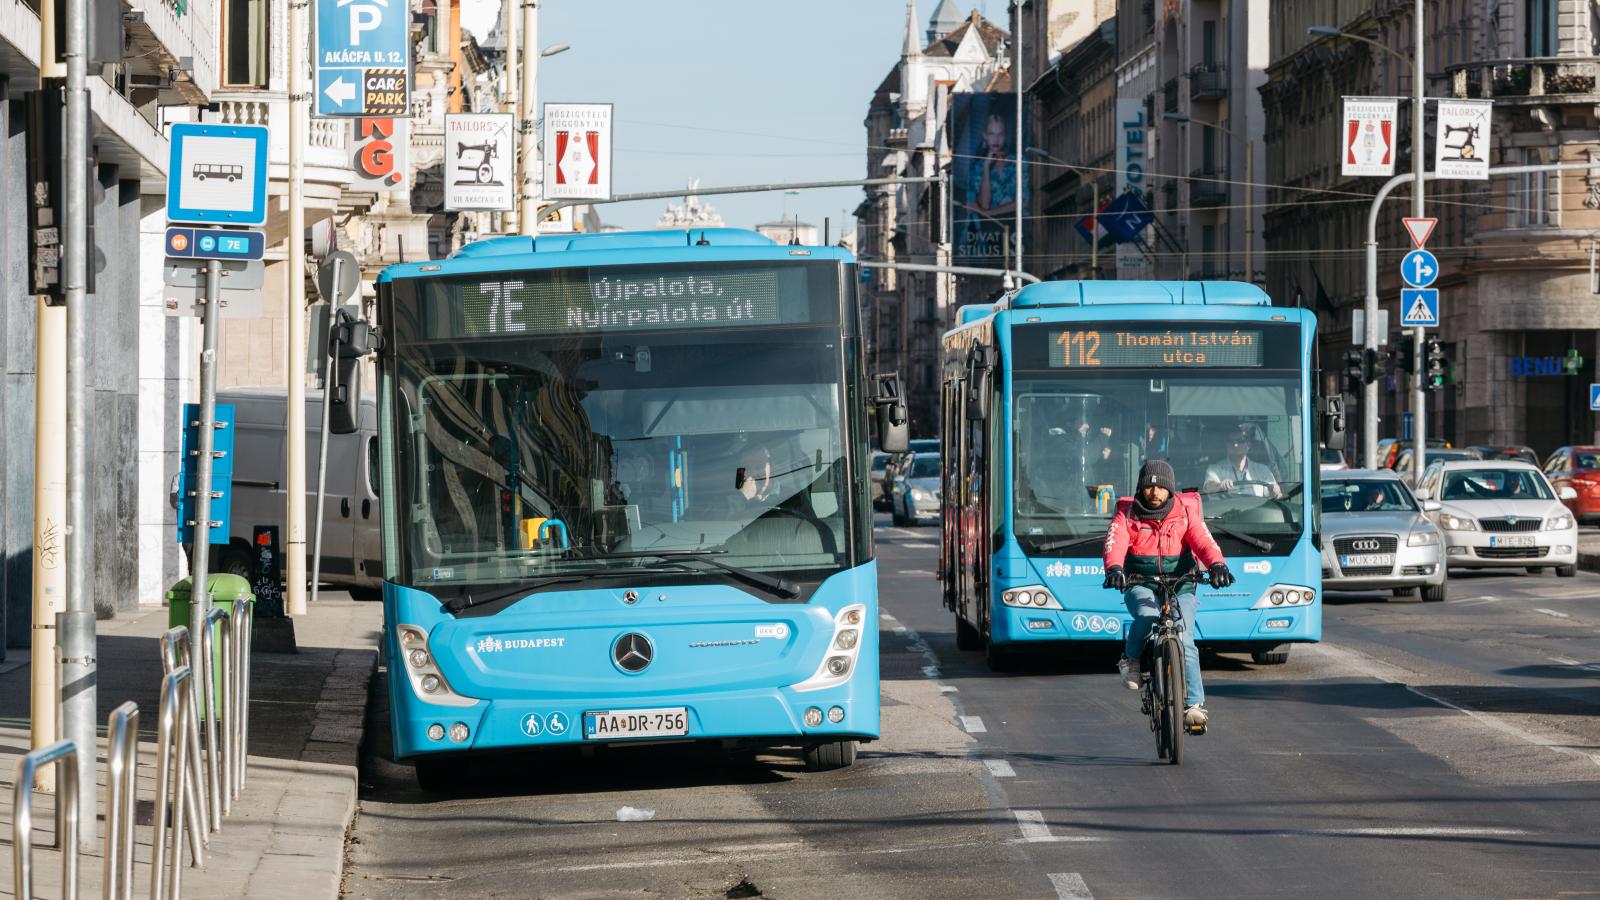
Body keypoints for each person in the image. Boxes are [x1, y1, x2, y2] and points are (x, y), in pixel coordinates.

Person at [1102, 460, 1234, 731]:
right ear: (1140, 487)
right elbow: (1115, 543)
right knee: (1148, 616)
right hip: (1141, 582)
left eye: (1160, 486)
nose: (1154, 491)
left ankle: (1194, 707)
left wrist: (1218, 565)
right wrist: (1115, 568)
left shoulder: (1185, 512)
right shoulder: (1127, 514)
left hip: (1181, 583)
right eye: (1149, 486)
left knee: (1185, 636)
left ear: (1169, 489)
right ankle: (1131, 658)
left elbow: (1203, 541)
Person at [1203, 429, 1281, 498]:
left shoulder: (1262, 469)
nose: (1235, 445)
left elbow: (1274, 492)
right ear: (1226, 445)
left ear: (1249, 445)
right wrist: (1220, 486)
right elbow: (1209, 488)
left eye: (1240, 441)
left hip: (1256, 512)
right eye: (1231, 441)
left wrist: (1275, 491)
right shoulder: (1215, 469)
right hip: (1225, 513)